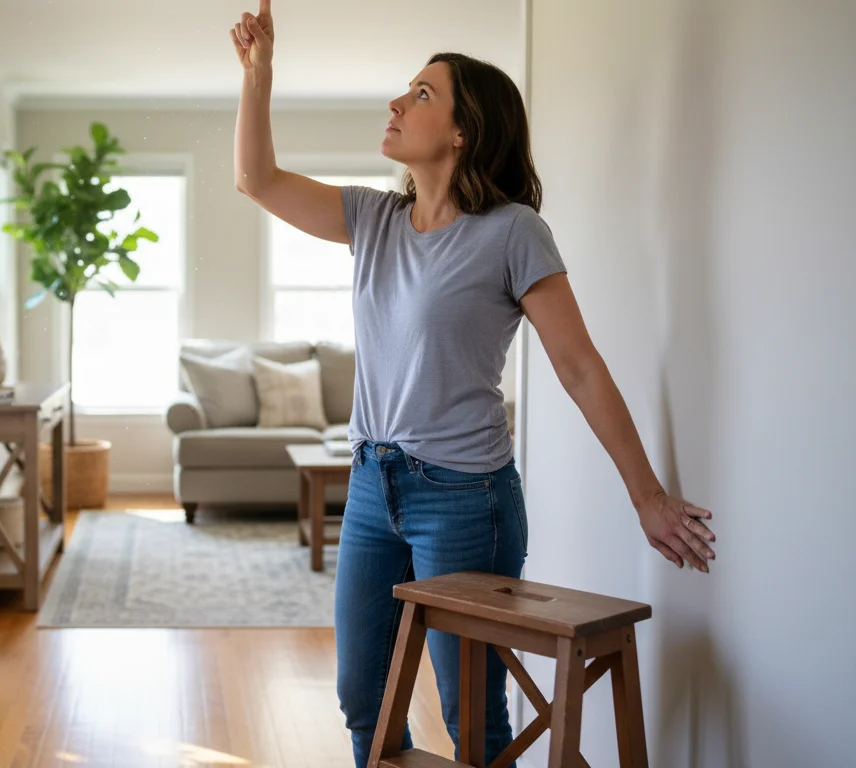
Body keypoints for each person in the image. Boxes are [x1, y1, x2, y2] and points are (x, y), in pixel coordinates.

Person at [228, 2, 718, 766]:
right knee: (365, 699)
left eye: (422, 94)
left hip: (463, 498)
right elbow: (255, 179)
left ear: (464, 131)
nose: (397, 102)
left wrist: (647, 495)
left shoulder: (513, 231)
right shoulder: (374, 219)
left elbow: (579, 366)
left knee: (473, 719)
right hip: (369, 486)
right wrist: (259, 75)